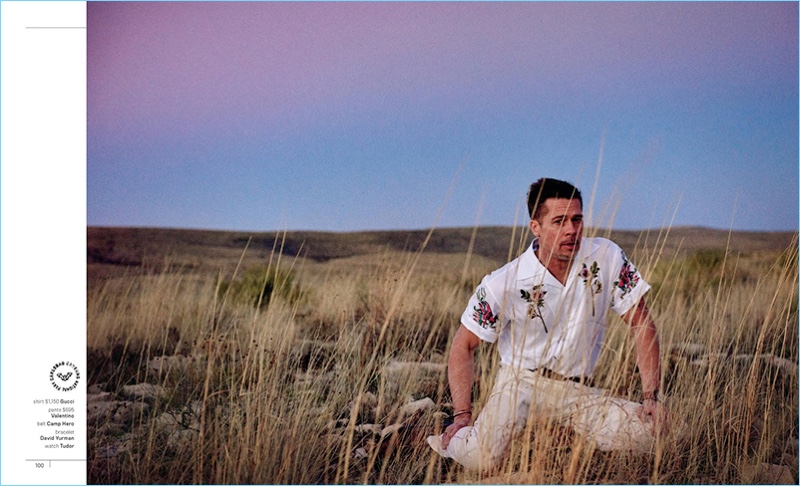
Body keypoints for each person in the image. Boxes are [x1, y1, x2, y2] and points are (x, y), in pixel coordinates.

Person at [427, 178, 675, 472]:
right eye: (559, 221)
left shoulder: (605, 257)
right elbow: (463, 344)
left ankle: (561, 437)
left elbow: (641, 321)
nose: (572, 230)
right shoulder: (504, 282)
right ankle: (445, 438)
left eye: (577, 219)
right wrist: (461, 415)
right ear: (536, 227)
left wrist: (652, 397)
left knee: (664, 436)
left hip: (579, 391)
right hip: (520, 385)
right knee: (482, 460)